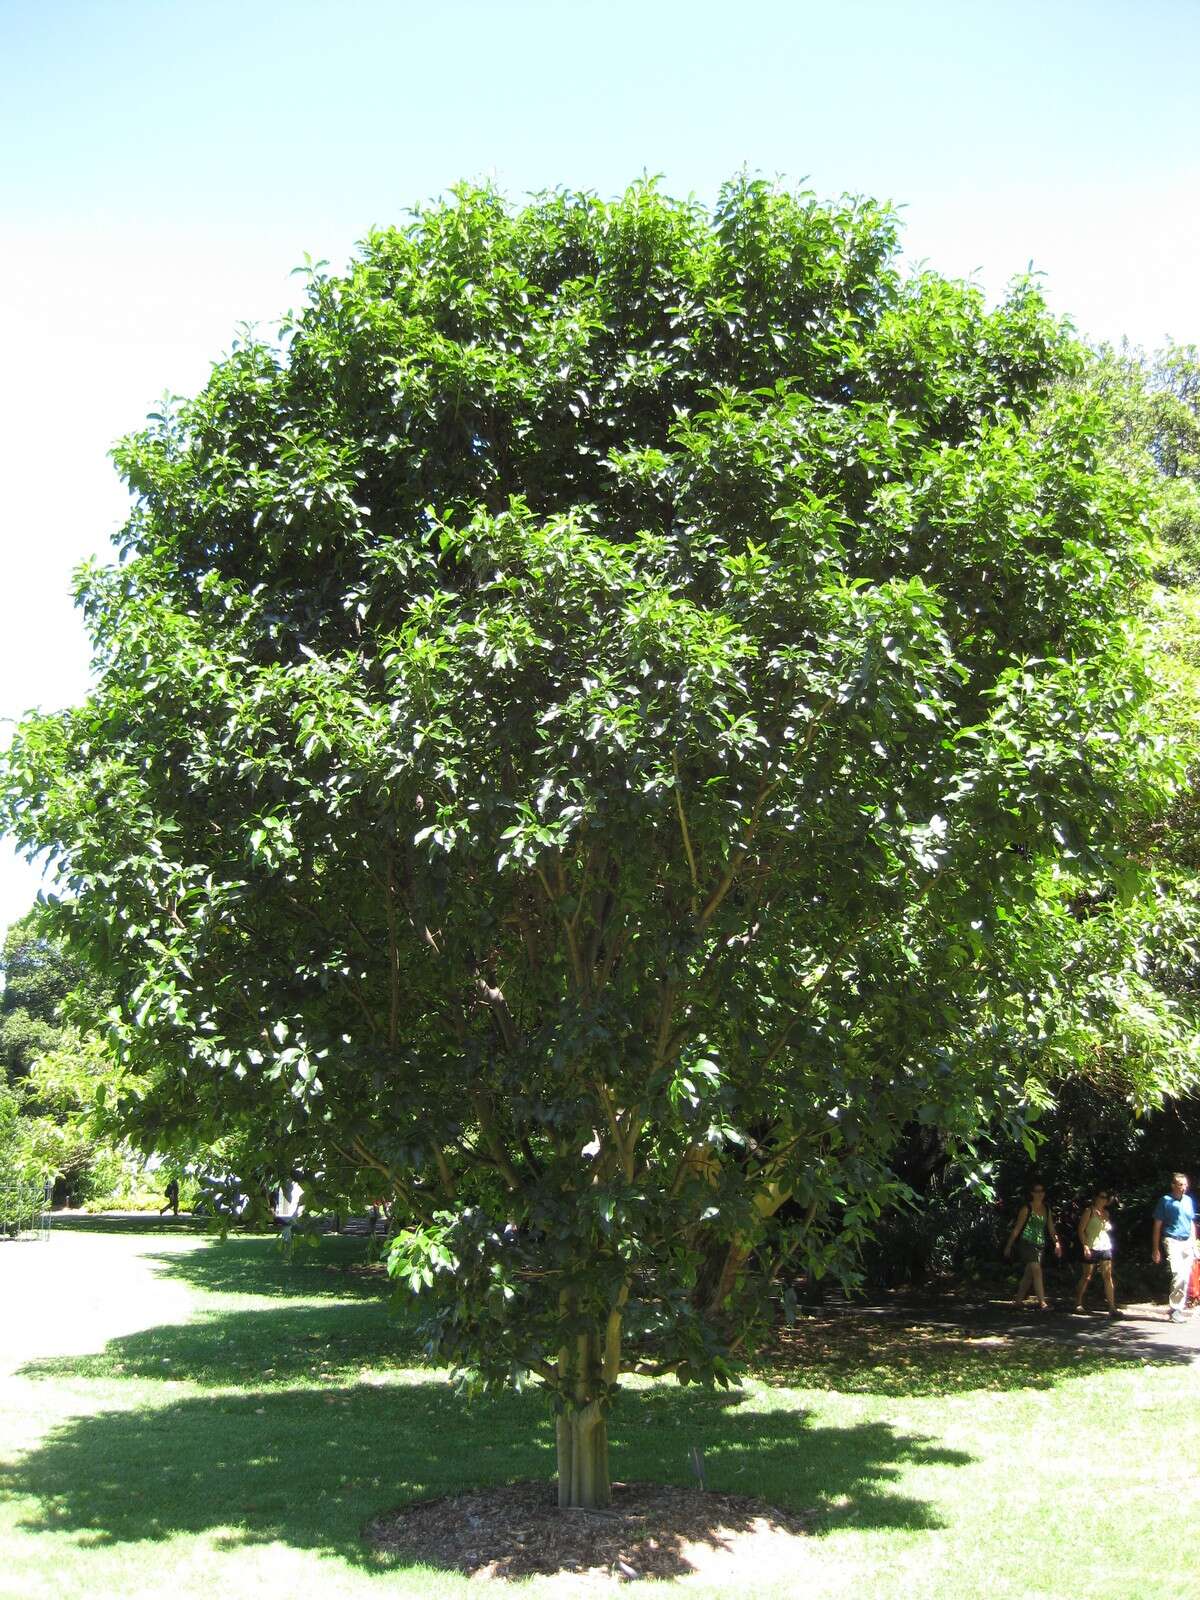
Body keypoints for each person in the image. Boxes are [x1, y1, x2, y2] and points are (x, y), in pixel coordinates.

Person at [1004, 1182, 1062, 1310]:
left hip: (1040, 1243)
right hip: (1027, 1242)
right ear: (1032, 1193)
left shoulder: (1046, 1209)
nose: (1040, 1193)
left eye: (1042, 1191)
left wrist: (1057, 1243)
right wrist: (1009, 1245)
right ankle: (1042, 1303)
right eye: (1037, 1191)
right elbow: (1017, 1228)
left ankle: (1018, 1300)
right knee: (1036, 1269)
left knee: (1029, 1274)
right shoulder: (1026, 1209)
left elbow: (1051, 1228)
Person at [1151, 1172, 1198, 1324]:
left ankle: (1176, 1308)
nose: (1183, 1188)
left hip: (1187, 1242)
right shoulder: (1165, 1201)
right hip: (1171, 1240)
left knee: (1185, 1276)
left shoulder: (1188, 1201)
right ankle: (1176, 1308)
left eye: (1185, 1185)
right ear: (1173, 1185)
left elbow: (1191, 1223)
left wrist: (1194, 1244)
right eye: (1180, 1185)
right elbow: (1157, 1226)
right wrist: (1156, 1248)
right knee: (1178, 1273)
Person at [1074, 1188, 1118, 1316]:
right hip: (1091, 1246)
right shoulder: (1089, 1211)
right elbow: (1081, 1230)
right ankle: (1078, 1303)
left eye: (1105, 1197)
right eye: (1101, 1196)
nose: (1103, 1199)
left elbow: (1106, 1229)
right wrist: (1085, 1246)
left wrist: (1105, 1220)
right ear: (1096, 1198)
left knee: (1107, 1276)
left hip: (1105, 1246)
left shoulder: (1106, 1213)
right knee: (1087, 1276)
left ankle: (1112, 1307)